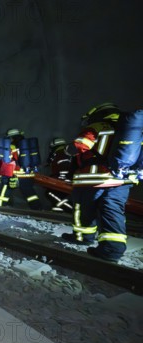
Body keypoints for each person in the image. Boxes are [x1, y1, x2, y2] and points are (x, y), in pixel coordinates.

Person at [62, 103, 133, 262]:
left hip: (94, 179)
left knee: (83, 208)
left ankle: (83, 237)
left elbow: (80, 146)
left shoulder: (98, 126)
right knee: (112, 211)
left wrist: (67, 149)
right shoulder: (128, 129)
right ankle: (112, 249)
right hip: (122, 179)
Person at [0, 129, 43, 210]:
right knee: (30, 194)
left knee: (5, 191)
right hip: (28, 174)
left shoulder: (11, 147)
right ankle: (38, 209)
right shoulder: (27, 146)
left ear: (12, 138)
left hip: (16, 174)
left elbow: (9, 160)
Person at [45, 137, 73, 212]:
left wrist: (57, 179)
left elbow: (64, 169)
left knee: (50, 193)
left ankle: (71, 209)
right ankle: (58, 211)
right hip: (63, 181)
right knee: (56, 195)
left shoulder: (60, 154)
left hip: (62, 181)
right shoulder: (63, 153)